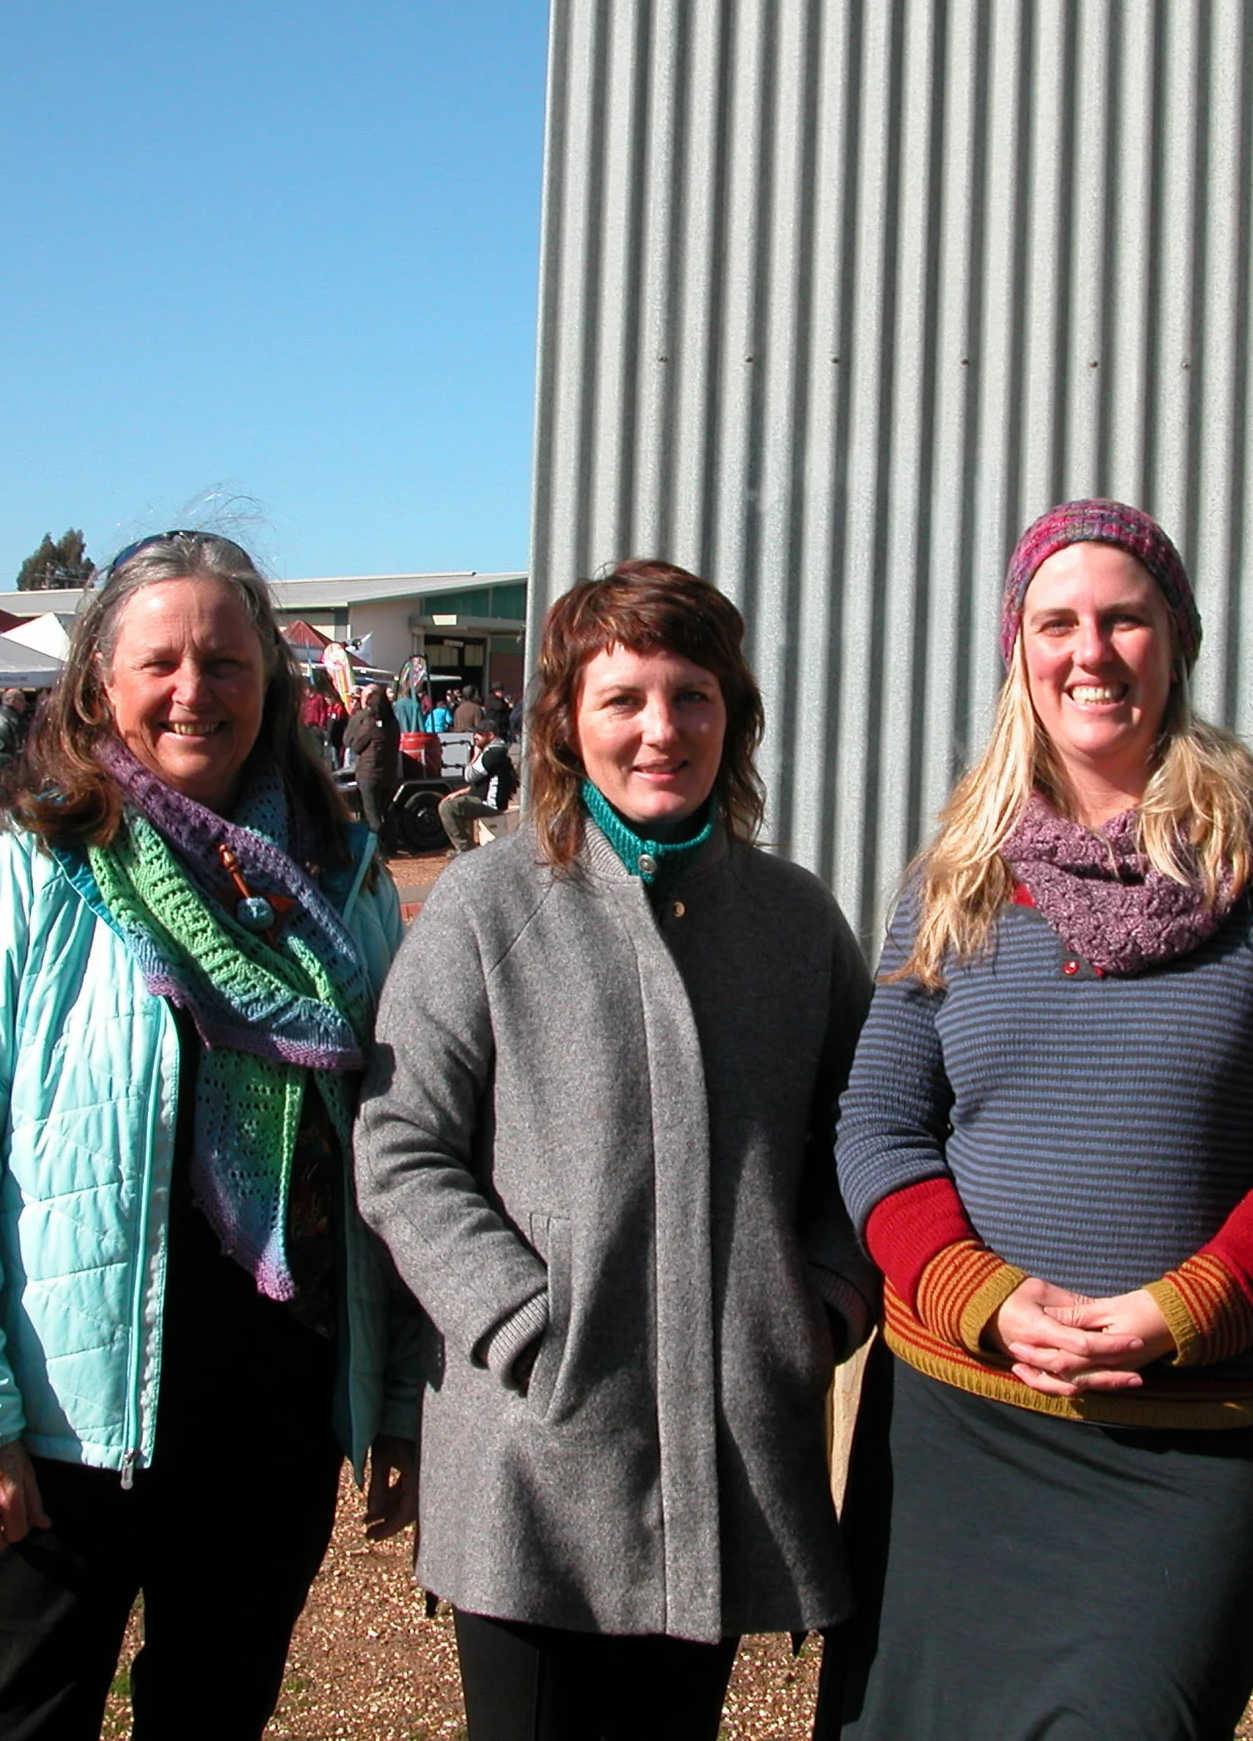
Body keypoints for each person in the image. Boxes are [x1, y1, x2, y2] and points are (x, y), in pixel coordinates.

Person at [817, 501, 1253, 1741]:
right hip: (955, 1427)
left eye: (1124, 619)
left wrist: (1193, 1303)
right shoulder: (960, 873)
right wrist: (974, 1287)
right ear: (1017, 648)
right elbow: (878, 1119)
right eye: (1057, 621)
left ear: (1177, 639)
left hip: (1190, 1445)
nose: (1092, 651)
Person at [0, 532, 420, 1741]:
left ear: (269, 681)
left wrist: (398, 1400)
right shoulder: (28, 862)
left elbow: (404, 1150)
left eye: (225, 662)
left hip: (271, 1406)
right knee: (21, 1721)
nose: (192, 691)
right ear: (98, 678)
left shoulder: (338, 876)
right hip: (66, 1418)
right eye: (159, 660)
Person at [358, 560, 879, 1741]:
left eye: (691, 696)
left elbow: (866, 1140)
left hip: (730, 1445)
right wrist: (522, 1322)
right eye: (624, 699)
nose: (661, 730)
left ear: (731, 716)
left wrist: (822, 1304)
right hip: (533, 1444)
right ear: (567, 723)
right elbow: (401, 1144)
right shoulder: (488, 905)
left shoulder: (795, 922)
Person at [434, 724, 517, 855]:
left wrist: (475, 754)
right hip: (486, 800)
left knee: (447, 807)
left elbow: (469, 775)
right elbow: (484, 783)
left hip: (490, 805)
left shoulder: (493, 753)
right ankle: (468, 849)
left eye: (479, 734)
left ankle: (466, 850)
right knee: (457, 803)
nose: (475, 737)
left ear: (490, 735)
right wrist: (460, 792)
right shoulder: (497, 752)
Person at [345, 683, 402, 855]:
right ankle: (391, 846)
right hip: (389, 773)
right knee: (387, 809)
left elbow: (355, 745)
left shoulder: (369, 723)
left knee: (371, 813)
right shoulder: (393, 723)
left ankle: (376, 849)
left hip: (368, 774)